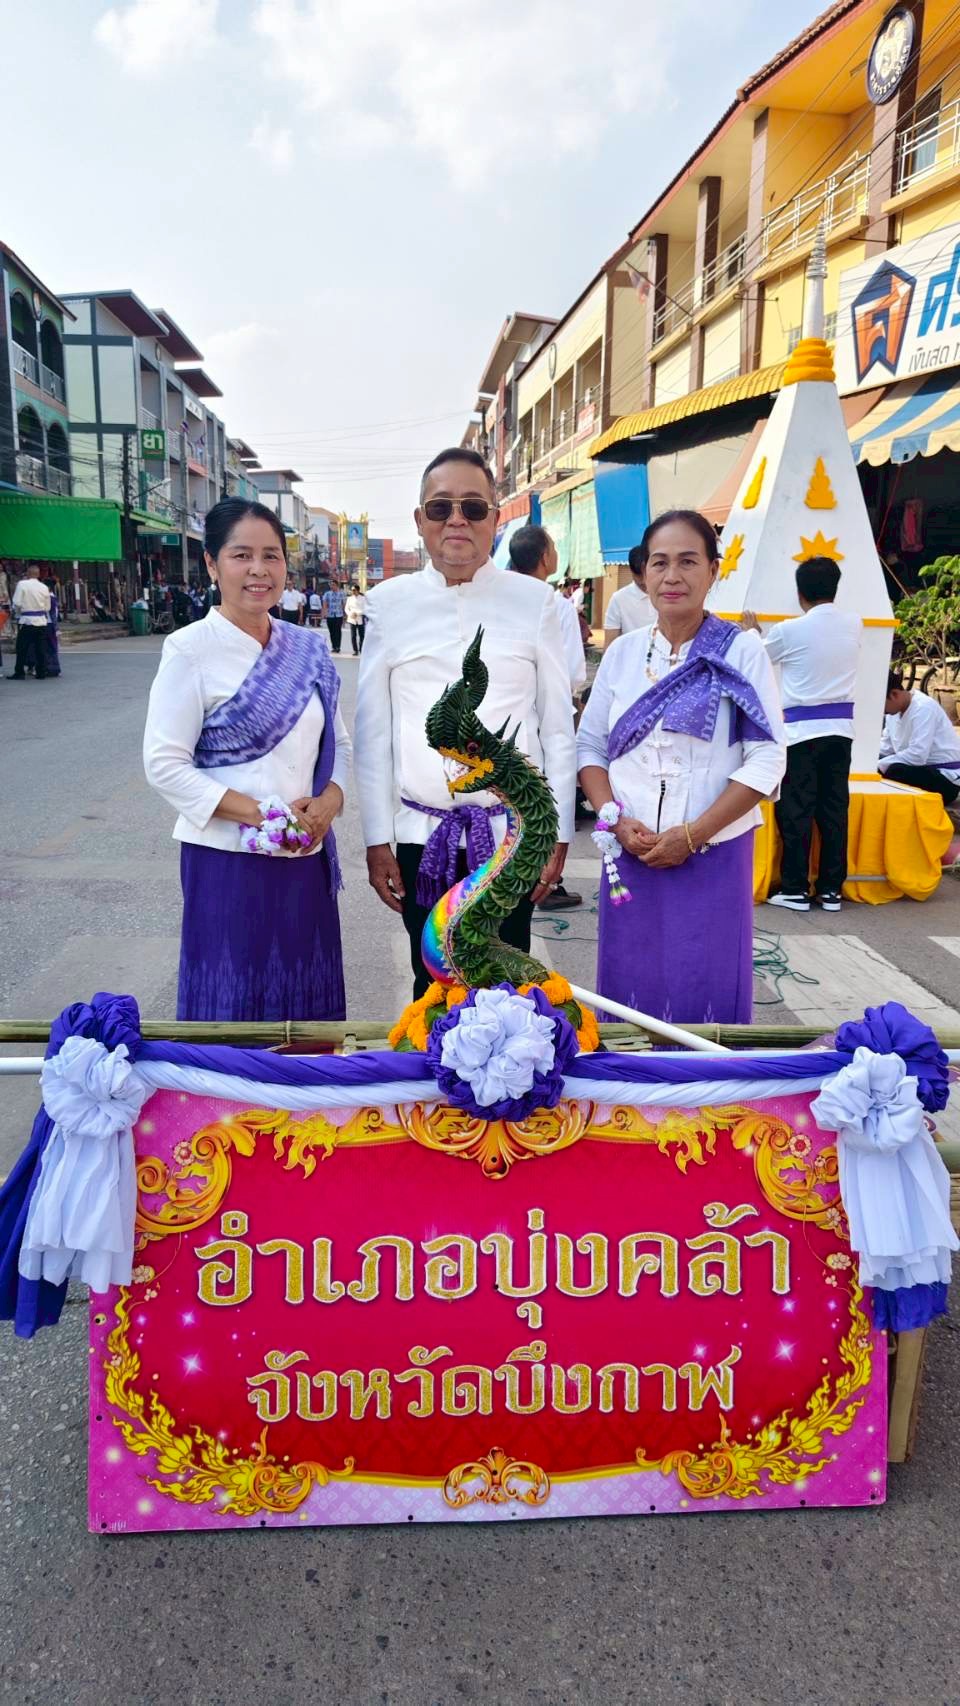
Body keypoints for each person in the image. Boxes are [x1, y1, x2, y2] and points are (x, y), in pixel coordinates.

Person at [355, 446, 576, 999]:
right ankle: (431, 1083)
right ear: (420, 522)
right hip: (418, 837)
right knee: (430, 981)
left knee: (508, 984)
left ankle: (510, 1083)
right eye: (441, 508)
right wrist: (377, 838)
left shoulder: (538, 603)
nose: (457, 520)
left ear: (496, 519)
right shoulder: (388, 604)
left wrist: (558, 834)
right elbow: (374, 734)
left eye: (473, 508)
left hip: (511, 838)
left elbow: (556, 729)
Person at [143, 497, 350, 1022]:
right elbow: (164, 764)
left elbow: (341, 745)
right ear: (212, 564)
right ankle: (232, 1105)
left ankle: (307, 1105)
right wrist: (266, 815)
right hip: (226, 860)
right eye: (241, 556)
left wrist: (328, 802)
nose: (259, 570)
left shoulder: (308, 647)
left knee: (305, 1007)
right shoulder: (190, 650)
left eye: (272, 555)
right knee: (231, 1004)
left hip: (305, 859)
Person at [577, 509, 785, 1025]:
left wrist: (693, 834)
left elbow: (768, 756)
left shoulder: (742, 651)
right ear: (642, 574)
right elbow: (590, 747)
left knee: (707, 988)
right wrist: (613, 819)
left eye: (688, 561)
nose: (673, 576)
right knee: (631, 988)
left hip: (714, 851)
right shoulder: (623, 655)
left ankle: (704, 1100)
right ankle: (631, 1099)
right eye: (659, 563)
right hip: (631, 850)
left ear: (714, 570)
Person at [743, 557, 861, 914]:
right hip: (842, 733)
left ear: (800, 593)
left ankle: (794, 888)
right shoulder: (854, 624)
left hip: (800, 736)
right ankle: (830, 891)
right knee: (834, 811)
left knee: (796, 811)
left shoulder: (789, 630)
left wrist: (751, 632)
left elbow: (755, 660)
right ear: (835, 588)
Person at [508, 523, 586, 913]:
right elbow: (572, 672)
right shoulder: (554, 605)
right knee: (549, 796)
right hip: (550, 716)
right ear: (544, 558)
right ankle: (548, 879)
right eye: (554, 547)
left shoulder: (501, 598)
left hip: (513, 723)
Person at [879, 671, 960, 807]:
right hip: (919, 770)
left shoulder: (924, 708)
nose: (882, 711)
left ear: (894, 694)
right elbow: (886, 747)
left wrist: (879, 765)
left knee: (895, 771)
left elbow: (917, 755)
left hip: (945, 778)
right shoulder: (892, 713)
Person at [603, 546, 655, 642]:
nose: (644, 582)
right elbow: (610, 643)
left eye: (647, 575)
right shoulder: (618, 599)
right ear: (631, 571)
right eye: (639, 577)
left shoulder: (666, 595)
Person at [9, 564, 51, 680]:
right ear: (38, 574)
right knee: (40, 648)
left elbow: (17, 602)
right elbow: (47, 607)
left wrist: (19, 612)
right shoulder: (44, 587)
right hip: (41, 621)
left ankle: (19, 672)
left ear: (28, 574)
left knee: (22, 648)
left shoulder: (22, 584)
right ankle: (41, 672)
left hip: (27, 620)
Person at [42, 578, 62, 678]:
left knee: (49, 647)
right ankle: (52, 667)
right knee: (51, 647)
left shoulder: (49, 598)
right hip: (50, 625)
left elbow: (53, 615)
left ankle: (51, 668)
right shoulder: (53, 598)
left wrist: (56, 628)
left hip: (48, 624)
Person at [345, 585, 366, 654]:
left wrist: (357, 613)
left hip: (360, 618)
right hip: (352, 619)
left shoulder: (363, 598)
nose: (353, 591)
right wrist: (350, 614)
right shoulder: (349, 599)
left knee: (361, 635)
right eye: (352, 590)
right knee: (353, 636)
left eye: (354, 590)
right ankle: (355, 650)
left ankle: (361, 649)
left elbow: (365, 609)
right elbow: (346, 608)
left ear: (358, 590)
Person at [324, 583, 345, 653]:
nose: (332, 586)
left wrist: (344, 614)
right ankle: (333, 646)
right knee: (332, 631)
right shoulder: (327, 594)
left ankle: (338, 646)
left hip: (339, 615)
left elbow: (343, 604)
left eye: (333, 585)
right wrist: (325, 613)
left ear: (337, 586)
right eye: (331, 585)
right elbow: (325, 604)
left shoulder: (341, 594)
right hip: (330, 615)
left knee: (338, 631)